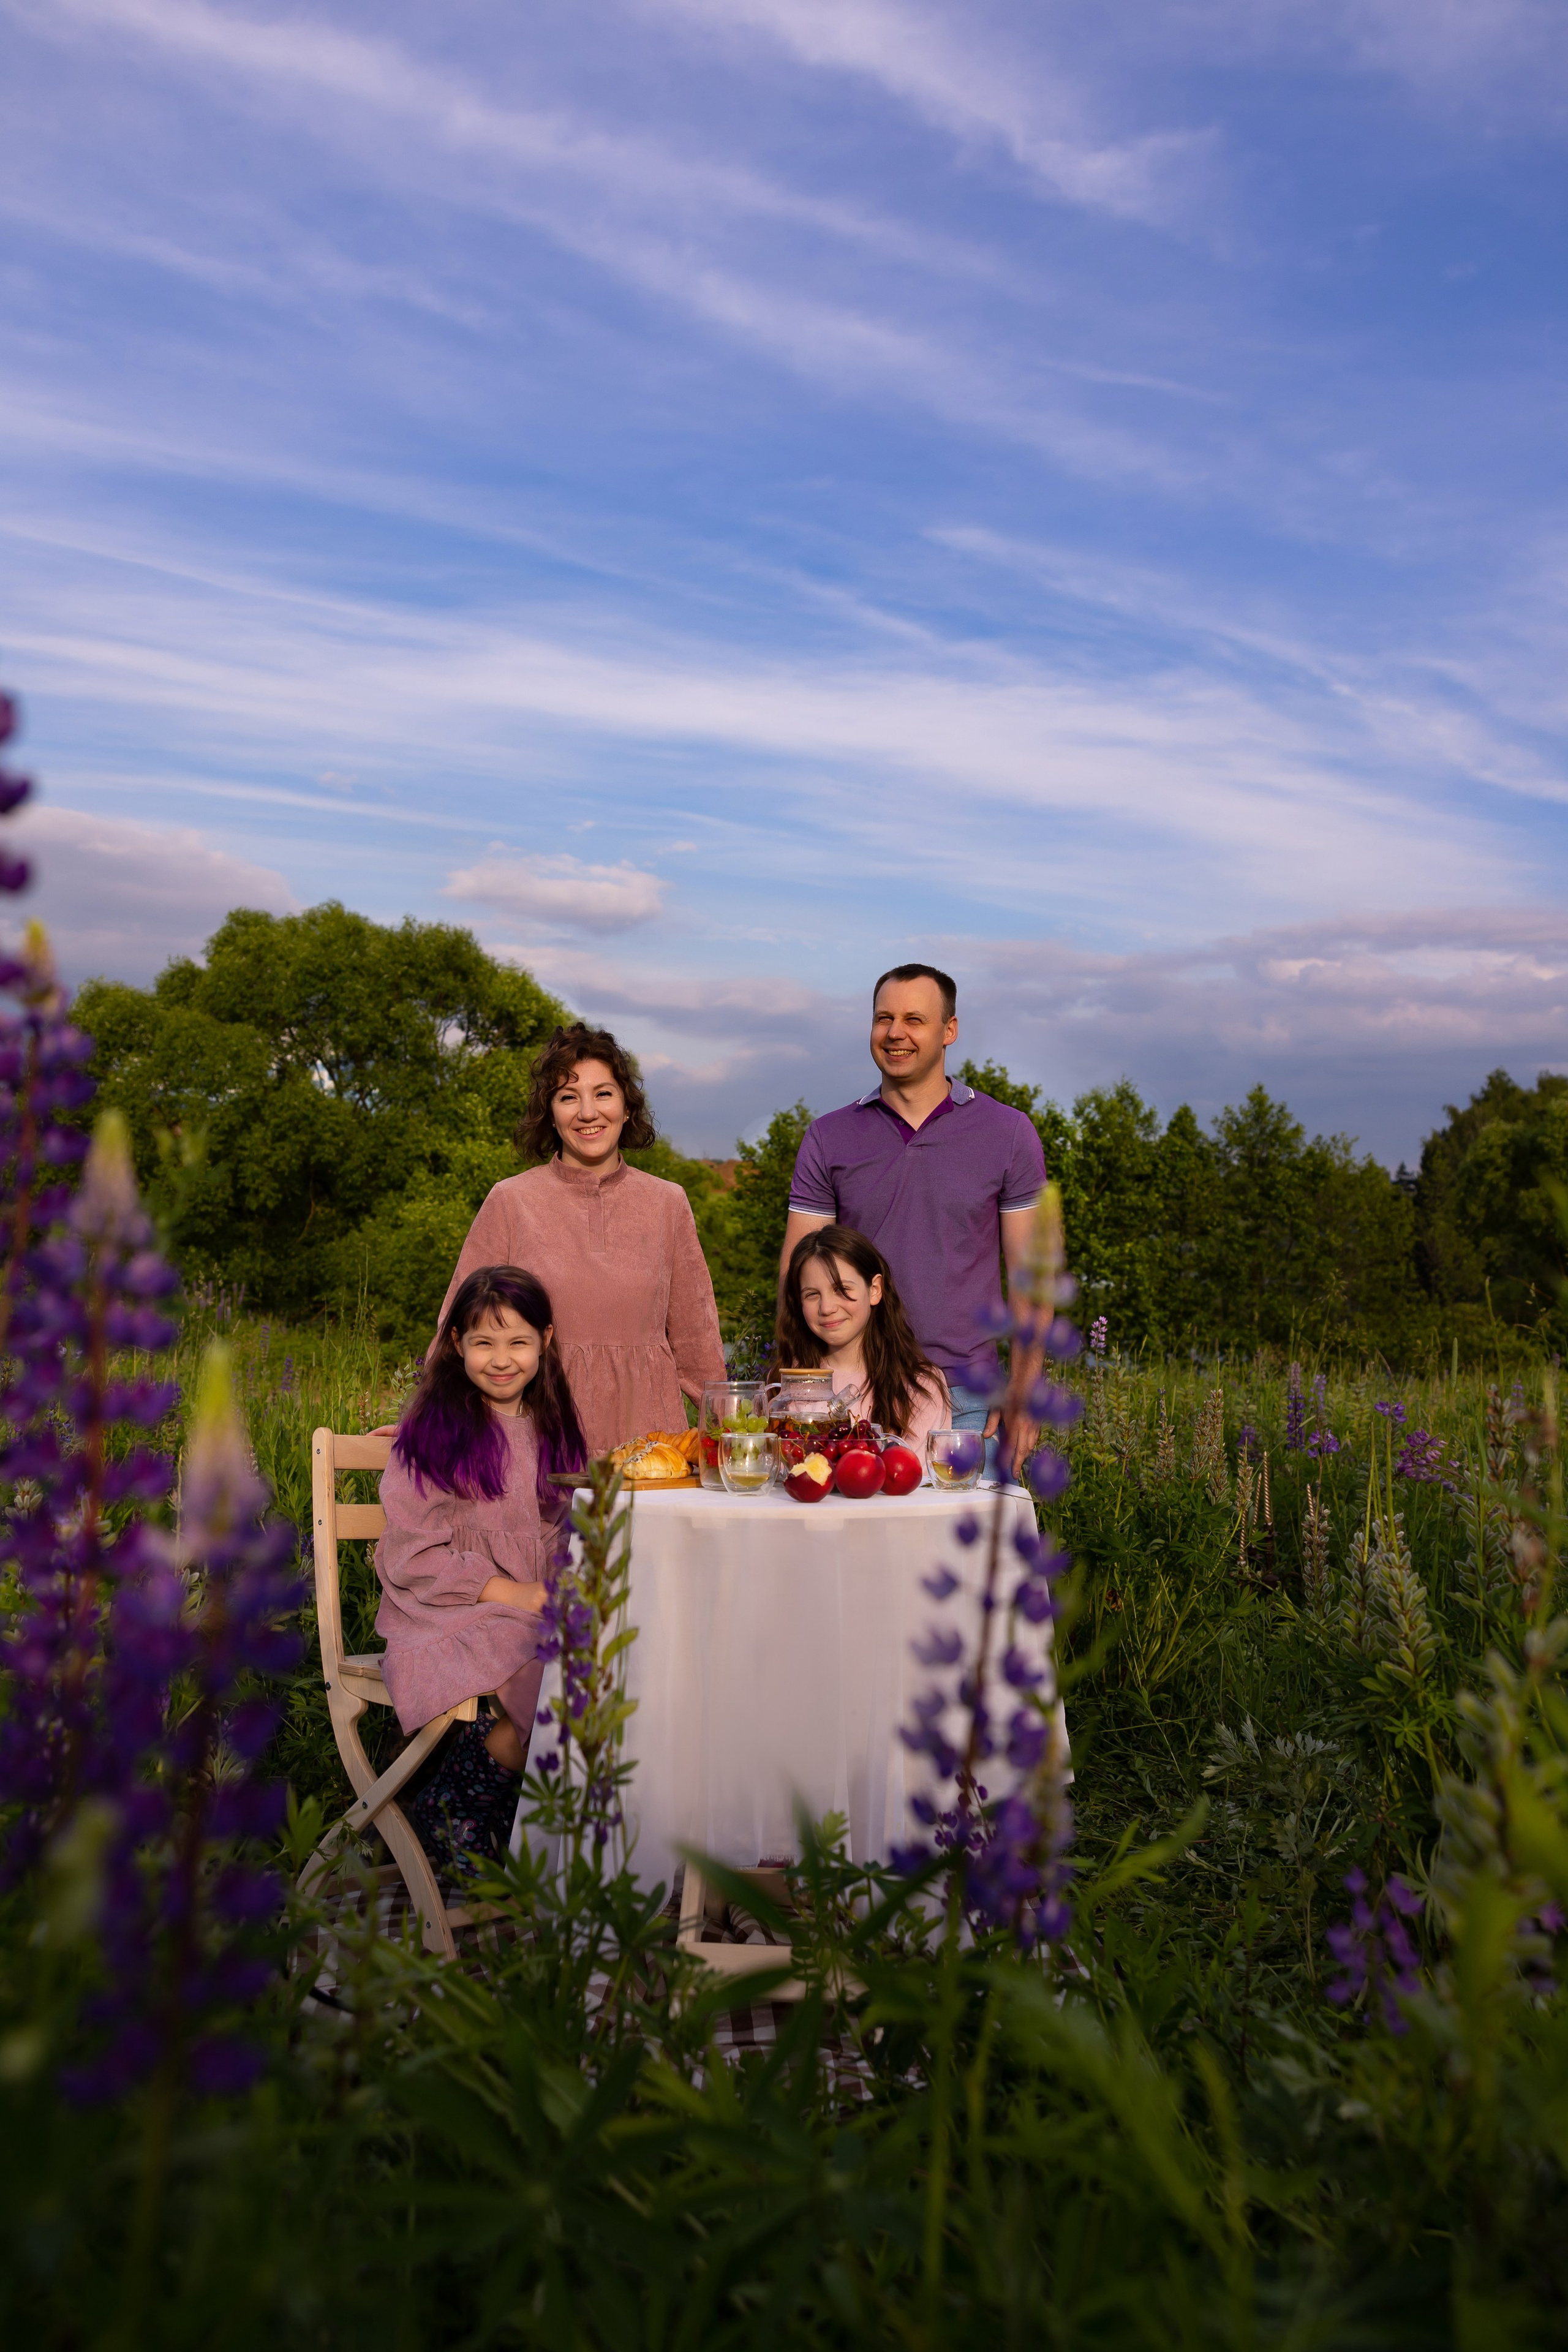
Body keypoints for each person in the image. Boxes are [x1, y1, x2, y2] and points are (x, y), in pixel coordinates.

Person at [779, 963, 1046, 1474]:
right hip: (853, 1397)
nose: (895, 1033)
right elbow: (797, 1274)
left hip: (970, 1403)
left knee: (968, 1532)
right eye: (884, 1018)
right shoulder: (829, 1138)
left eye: (914, 1020)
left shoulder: (1008, 1133)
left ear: (949, 1030)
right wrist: (799, 1388)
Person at [376, 1264, 586, 1881]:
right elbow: (412, 1554)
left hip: (521, 1607)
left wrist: (557, 1586)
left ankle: (463, 1808)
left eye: (518, 1341)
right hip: (443, 1606)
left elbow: (560, 1529)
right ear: (456, 1345)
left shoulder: (551, 1425)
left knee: (596, 1651)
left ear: (545, 1341)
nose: (501, 1359)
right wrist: (512, 1591)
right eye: (483, 1342)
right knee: (542, 1657)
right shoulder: (435, 1432)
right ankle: (458, 1816)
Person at [436, 1022, 725, 1457]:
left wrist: (730, 1435)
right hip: (539, 1438)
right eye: (568, 1097)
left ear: (627, 1107)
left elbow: (697, 1342)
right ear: (550, 1114)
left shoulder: (668, 1203)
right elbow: (456, 1330)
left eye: (603, 1093)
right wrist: (422, 1422)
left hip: (650, 1443)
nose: (588, 1113)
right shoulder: (511, 1201)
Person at [778, 1223, 951, 1452]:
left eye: (841, 1289)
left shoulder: (919, 1387)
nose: (827, 1308)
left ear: (875, 1290)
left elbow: (911, 1470)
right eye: (812, 1294)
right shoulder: (789, 1384)